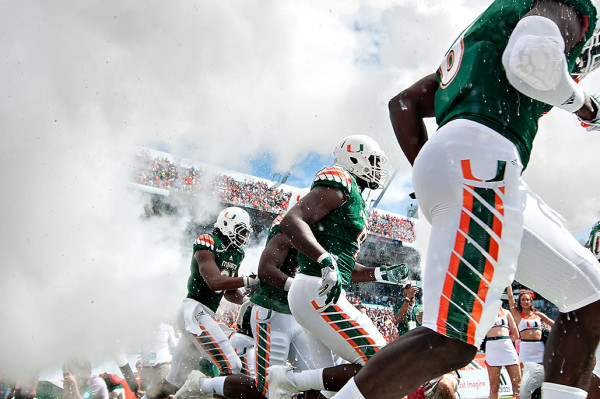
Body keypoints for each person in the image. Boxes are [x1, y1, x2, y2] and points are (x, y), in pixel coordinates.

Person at [332, 1, 600, 398]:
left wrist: (437, 171)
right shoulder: (566, 7)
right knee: (451, 340)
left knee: (589, 295)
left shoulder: (491, 34)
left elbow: (403, 104)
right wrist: (587, 108)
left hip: (469, 160)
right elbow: (533, 59)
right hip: (482, 159)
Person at [266, 135, 409, 397]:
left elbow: (343, 265)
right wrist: (323, 259)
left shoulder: (354, 197)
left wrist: (380, 273)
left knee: (328, 387)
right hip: (315, 290)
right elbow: (292, 220)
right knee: (383, 365)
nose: (377, 168)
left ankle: (297, 383)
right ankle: (287, 380)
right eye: (374, 160)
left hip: (317, 291)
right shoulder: (340, 181)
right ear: (355, 158)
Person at [145, 206, 259, 399]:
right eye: (240, 230)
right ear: (227, 225)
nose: (243, 236)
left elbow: (229, 291)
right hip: (194, 310)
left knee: (172, 383)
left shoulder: (236, 254)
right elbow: (215, 283)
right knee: (231, 366)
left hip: (202, 316)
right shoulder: (207, 242)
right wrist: (250, 279)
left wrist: (248, 301)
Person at [506, 288, 554, 399]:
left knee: (539, 380)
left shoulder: (538, 315)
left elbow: (553, 323)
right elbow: (510, 299)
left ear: (531, 301)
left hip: (539, 349)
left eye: (527, 299)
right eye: (523, 299)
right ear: (520, 302)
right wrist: (508, 285)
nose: (525, 301)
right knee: (526, 381)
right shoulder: (518, 315)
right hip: (526, 349)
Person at [483, 300, 521, 399]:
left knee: (518, 385)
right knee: (494, 387)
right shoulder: (483, 313)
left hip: (507, 348)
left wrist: (504, 341)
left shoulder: (506, 312)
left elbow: (515, 334)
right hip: (492, 349)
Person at [139, 322, 178, 392]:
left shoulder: (168, 328)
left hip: (162, 367)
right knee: (143, 393)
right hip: (146, 368)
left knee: (162, 392)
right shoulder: (142, 329)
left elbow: (174, 348)